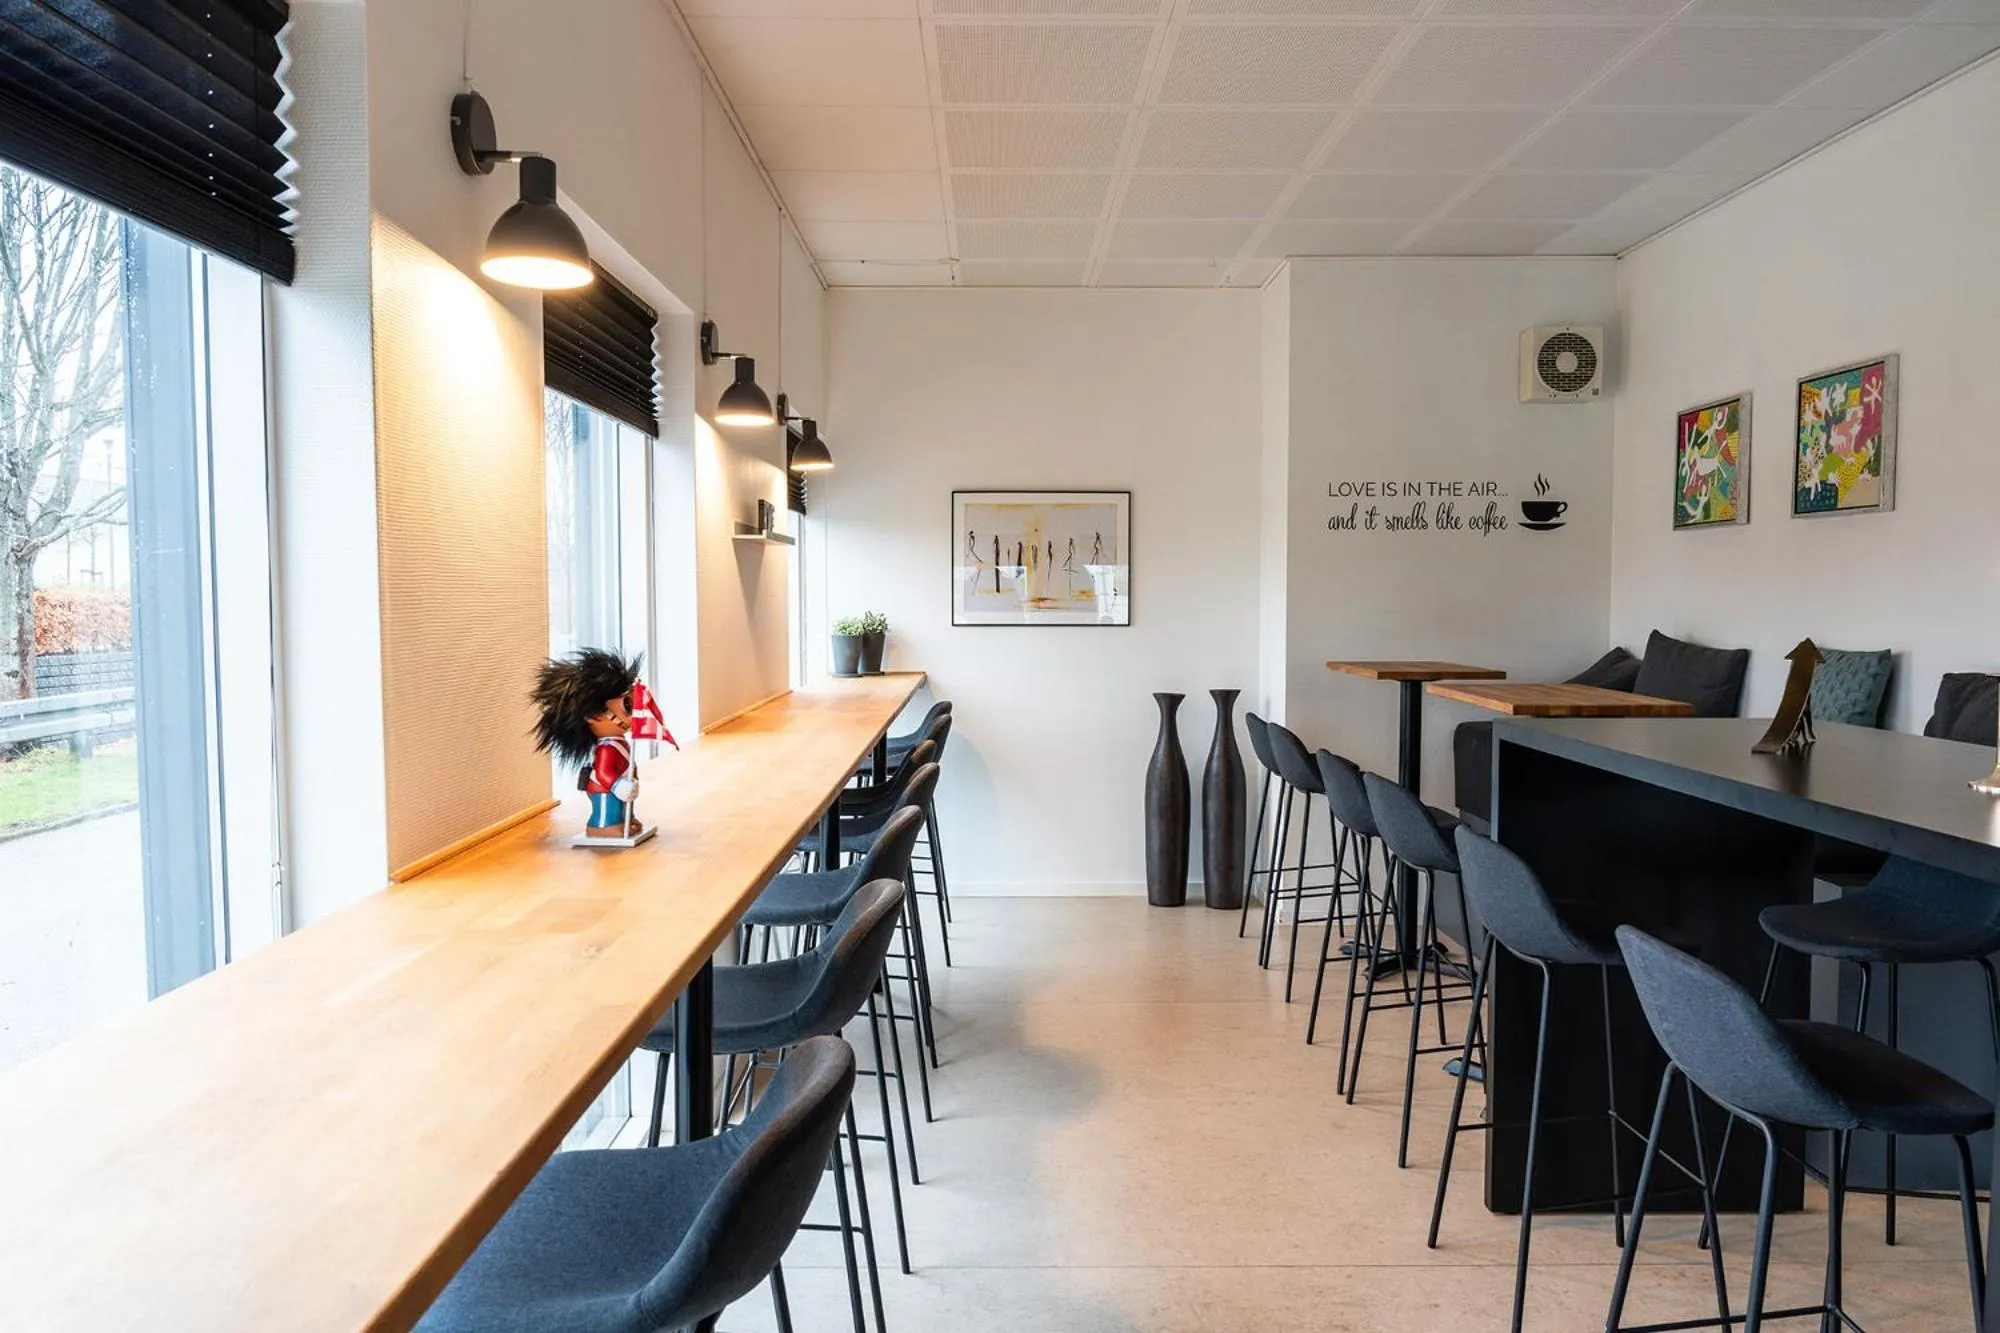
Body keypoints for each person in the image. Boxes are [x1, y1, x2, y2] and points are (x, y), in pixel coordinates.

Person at [532, 648, 648, 840]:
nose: (634, 711)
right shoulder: (607, 748)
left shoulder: (619, 742)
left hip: (622, 784)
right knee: (610, 807)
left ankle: (627, 820)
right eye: (627, 705)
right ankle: (604, 826)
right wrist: (618, 785)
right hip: (607, 789)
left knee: (625, 806)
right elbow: (603, 772)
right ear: (595, 715)